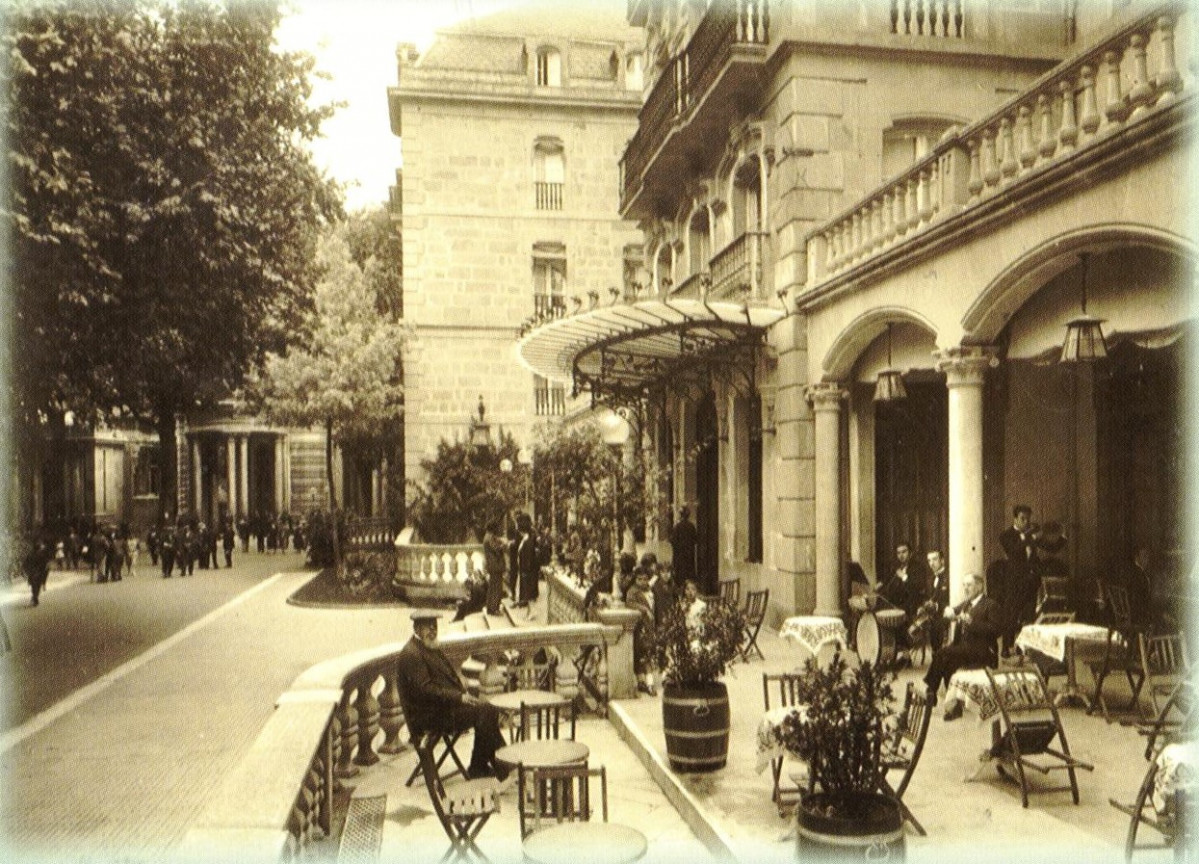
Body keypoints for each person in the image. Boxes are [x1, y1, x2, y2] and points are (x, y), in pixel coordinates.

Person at [395, 610, 508, 781]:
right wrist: (459, 698)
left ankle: (489, 766)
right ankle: (499, 766)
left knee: (488, 710)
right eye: (427, 627)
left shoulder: (429, 646)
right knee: (485, 712)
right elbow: (427, 690)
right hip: (428, 717)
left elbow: (447, 677)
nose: (432, 630)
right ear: (416, 629)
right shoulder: (412, 653)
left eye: (435, 626)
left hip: (441, 709)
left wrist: (463, 694)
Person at [923, 572, 1003, 720]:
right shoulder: (966, 603)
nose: (966, 588)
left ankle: (931, 691)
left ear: (980, 586)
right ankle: (954, 707)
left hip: (982, 651)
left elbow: (996, 630)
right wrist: (949, 611)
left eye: (969, 585)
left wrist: (971, 622)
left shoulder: (990, 605)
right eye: (964, 585)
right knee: (947, 663)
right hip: (964, 649)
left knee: (942, 654)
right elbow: (952, 611)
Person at [999, 504, 1041, 652]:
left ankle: (1023, 648)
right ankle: (1006, 647)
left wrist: (1063, 536)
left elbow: (1050, 547)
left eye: (1028, 519)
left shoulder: (1032, 535)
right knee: (1011, 616)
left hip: (1031, 583)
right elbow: (1014, 551)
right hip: (1014, 583)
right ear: (1015, 518)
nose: (1026, 522)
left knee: (1029, 616)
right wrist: (1026, 536)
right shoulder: (1005, 535)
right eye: (1022, 519)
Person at [624, 567, 658, 695]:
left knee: (645, 656)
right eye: (639, 579)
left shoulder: (650, 591)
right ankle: (649, 684)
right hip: (639, 628)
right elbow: (629, 603)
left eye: (645, 579)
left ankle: (642, 682)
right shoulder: (632, 591)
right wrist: (644, 609)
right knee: (644, 656)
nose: (642, 582)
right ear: (635, 579)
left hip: (649, 627)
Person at [482, 520, 508, 616]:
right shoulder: (490, 538)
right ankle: (493, 608)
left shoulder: (488, 537)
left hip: (492, 565)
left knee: (493, 587)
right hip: (495, 565)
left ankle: (491, 607)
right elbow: (496, 549)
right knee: (496, 587)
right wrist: (504, 545)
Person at [514, 512, 538, 614]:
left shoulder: (528, 541)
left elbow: (528, 557)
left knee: (528, 593)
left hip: (527, 571)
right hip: (524, 570)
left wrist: (525, 571)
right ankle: (529, 613)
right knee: (527, 593)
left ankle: (531, 612)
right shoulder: (525, 539)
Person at [670, 506, 697, 588]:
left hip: (679, 554)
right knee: (689, 571)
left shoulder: (677, 526)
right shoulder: (691, 526)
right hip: (689, 554)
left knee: (679, 572)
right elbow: (695, 539)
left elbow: (673, 540)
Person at [24, 536, 52, 607]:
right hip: (39, 573)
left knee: (34, 586)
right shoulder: (42, 554)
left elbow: (25, 564)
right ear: (39, 548)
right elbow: (45, 565)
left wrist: (28, 571)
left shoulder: (30, 555)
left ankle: (34, 597)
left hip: (32, 573)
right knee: (38, 585)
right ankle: (36, 596)